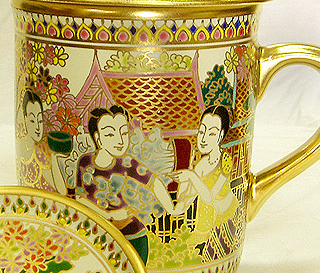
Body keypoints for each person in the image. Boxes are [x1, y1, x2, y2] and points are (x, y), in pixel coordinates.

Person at [75, 105, 178, 264]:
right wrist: (108, 215)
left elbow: (154, 182)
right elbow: (79, 199)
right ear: (98, 138)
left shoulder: (126, 163)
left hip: (131, 235)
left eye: (123, 133)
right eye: (110, 134)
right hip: (97, 231)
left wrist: (172, 209)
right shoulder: (85, 162)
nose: (120, 140)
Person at [172, 105, 239, 251]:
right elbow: (188, 196)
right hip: (205, 220)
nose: (203, 139)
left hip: (224, 221)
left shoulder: (225, 161)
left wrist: (191, 176)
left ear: (220, 136)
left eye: (211, 134)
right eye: (202, 131)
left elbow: (209, 197)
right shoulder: (201, 164)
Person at [18, 89, 66, 194]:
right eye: (32, 120)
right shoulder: (22, 143)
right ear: (25, 119)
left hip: (48, 201)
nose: (37, 127)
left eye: (40, 121)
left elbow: (62, 191)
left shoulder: (42, 152)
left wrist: (54, 158)